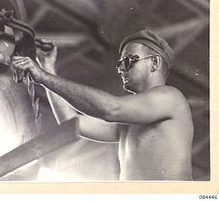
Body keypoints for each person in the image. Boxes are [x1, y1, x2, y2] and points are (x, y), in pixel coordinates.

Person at [11, 30, 194, 181]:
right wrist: (48, 67)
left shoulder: (171, 97)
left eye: (128, 61)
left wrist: (43, 77)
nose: (121, 69)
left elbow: (111, 109)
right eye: (120, 64)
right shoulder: (128, 125)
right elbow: (71, 121)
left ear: (154, 62)